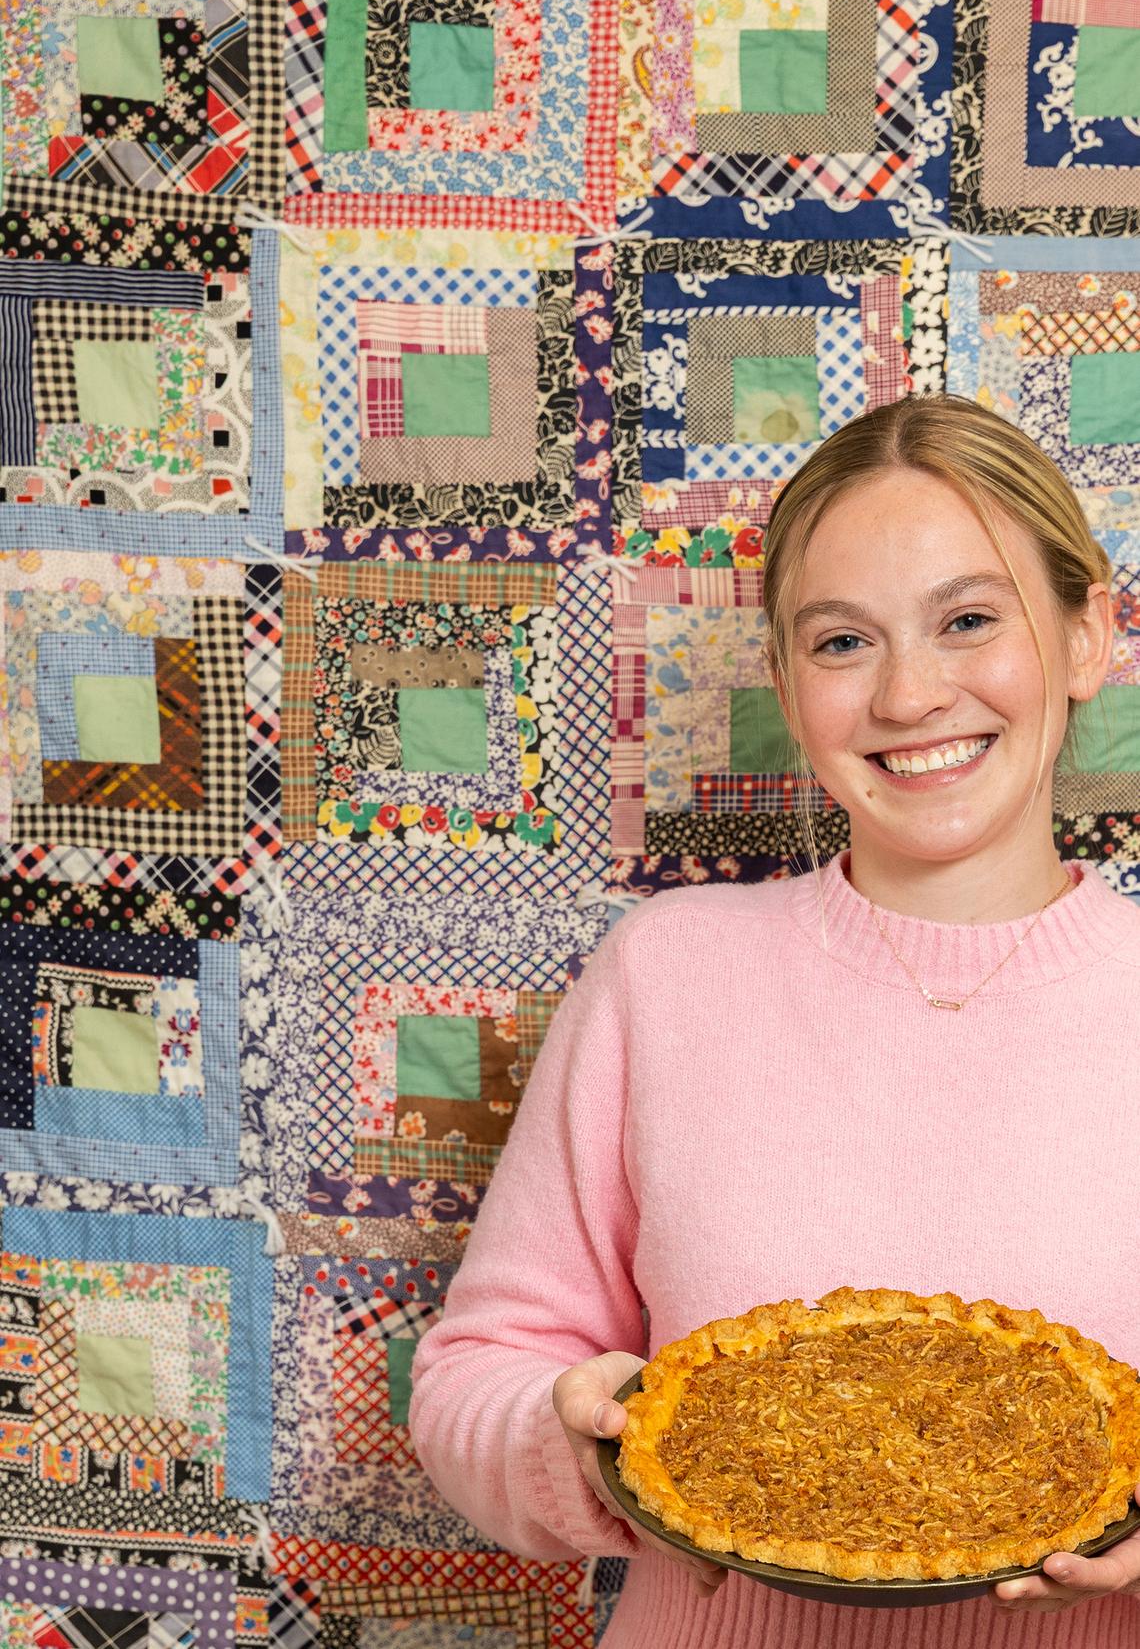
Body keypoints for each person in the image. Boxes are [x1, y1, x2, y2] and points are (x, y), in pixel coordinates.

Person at [408, 392, 1140, 1646]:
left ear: (1088, 636)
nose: (911, 696)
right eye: (842, 643)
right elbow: (471, 1382)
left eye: (968, 621)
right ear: (789, 687)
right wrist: (568, 1439)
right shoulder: (667, 976)